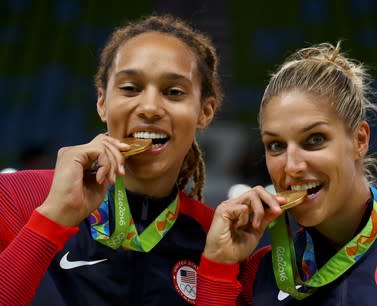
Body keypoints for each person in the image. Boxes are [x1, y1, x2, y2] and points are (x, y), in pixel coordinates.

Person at [196, 42, 377, 305]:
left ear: (359, 140)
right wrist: (218, 263)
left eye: (314, 140)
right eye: (276, 145)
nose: (292, 166)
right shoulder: (260, 275)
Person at [0, 13, 222, 305]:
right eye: (130, 88)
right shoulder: (15, 197)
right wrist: (52, 218)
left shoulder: (215, 238)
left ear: (205, 112)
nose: (150, 108)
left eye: (173, 92)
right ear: (102, 103)